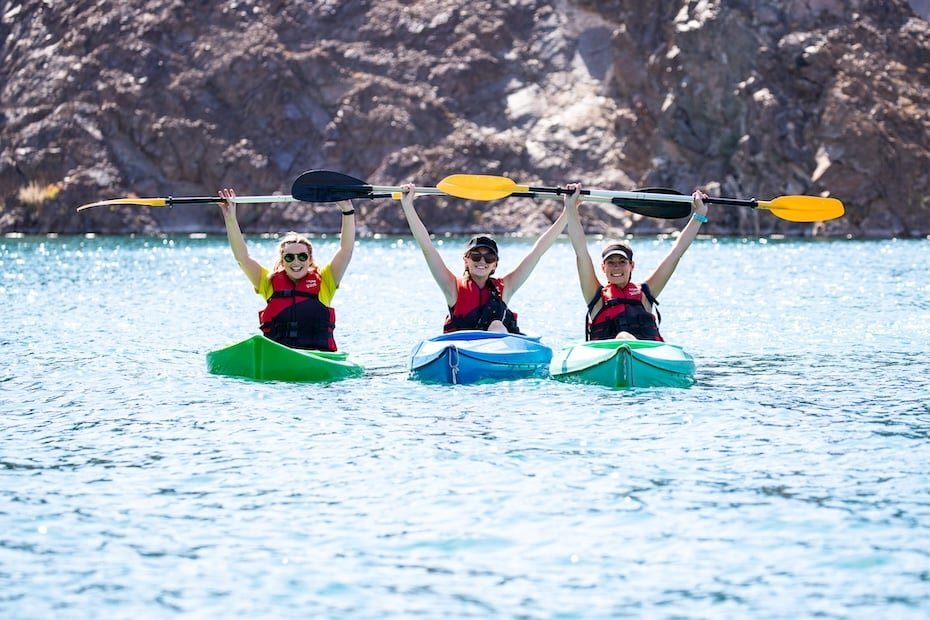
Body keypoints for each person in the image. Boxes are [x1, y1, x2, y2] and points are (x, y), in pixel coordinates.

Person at [399, 183, 568, 334]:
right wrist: (408, 206)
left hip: (497, 348)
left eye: (489, 257)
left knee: (497, 325)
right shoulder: (452, 287)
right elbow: (427, 247)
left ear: (495, 265)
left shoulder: (505, 287)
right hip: (463, 351)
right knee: (496, 326)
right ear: (466, 260)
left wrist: (569, 211)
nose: (482, 261)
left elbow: (538, 251)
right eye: (476, 256)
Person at [563, 182, 709, 341]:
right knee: (623, 336)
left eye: (622, 262)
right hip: (609, 351)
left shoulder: (646, 293)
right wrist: (571, 207)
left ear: (631, 266)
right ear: (603, 268)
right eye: (611, 262)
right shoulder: (595, 296)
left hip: (646, 352)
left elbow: (676, 252)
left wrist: (699, 214)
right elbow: (581, 251)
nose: (616, 267)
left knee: (624, 337)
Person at [217, 188, 356, 351]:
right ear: (282, 261)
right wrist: (230, 217)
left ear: (310, 260)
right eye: (289, 257)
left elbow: (346, 250)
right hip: (278, 355)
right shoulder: (267, 282)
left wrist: (347, 211)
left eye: (302, 256)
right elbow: (242, 258)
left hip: (319, 357)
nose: (296, 262)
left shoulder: (326, 280)